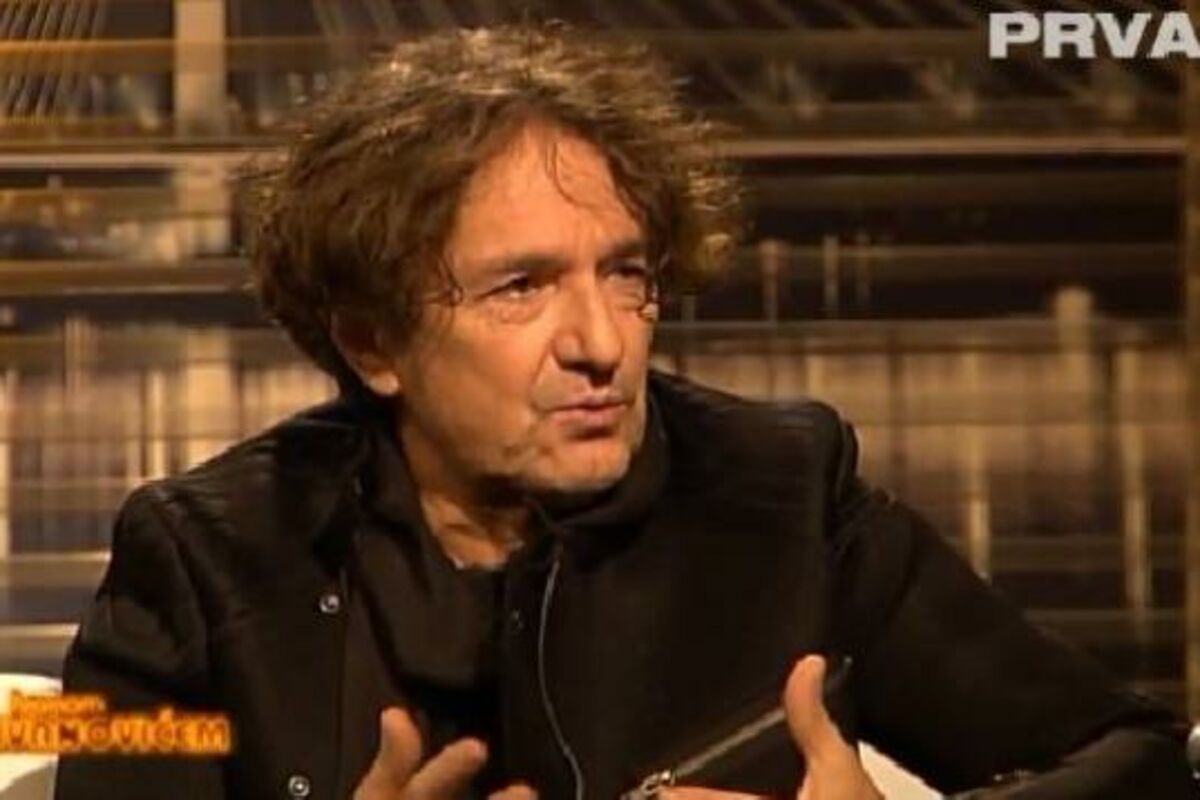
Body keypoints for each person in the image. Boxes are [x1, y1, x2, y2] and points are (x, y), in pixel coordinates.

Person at [56, 25, 1194, 800]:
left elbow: (1141, 759)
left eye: (626, 274)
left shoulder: (787, 495)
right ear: (372, 343)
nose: (602, 343)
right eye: (521, 286)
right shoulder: (197, 559)